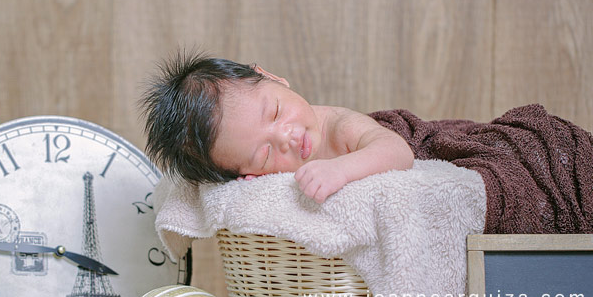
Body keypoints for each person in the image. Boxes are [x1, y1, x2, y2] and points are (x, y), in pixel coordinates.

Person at [139, 52, 414, 203]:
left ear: (270, 77)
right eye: (265, 155)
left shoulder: (339, 126)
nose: (286, 137)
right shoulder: (268, 180)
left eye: (276, 112)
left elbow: (398, 151)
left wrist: (340, 170)